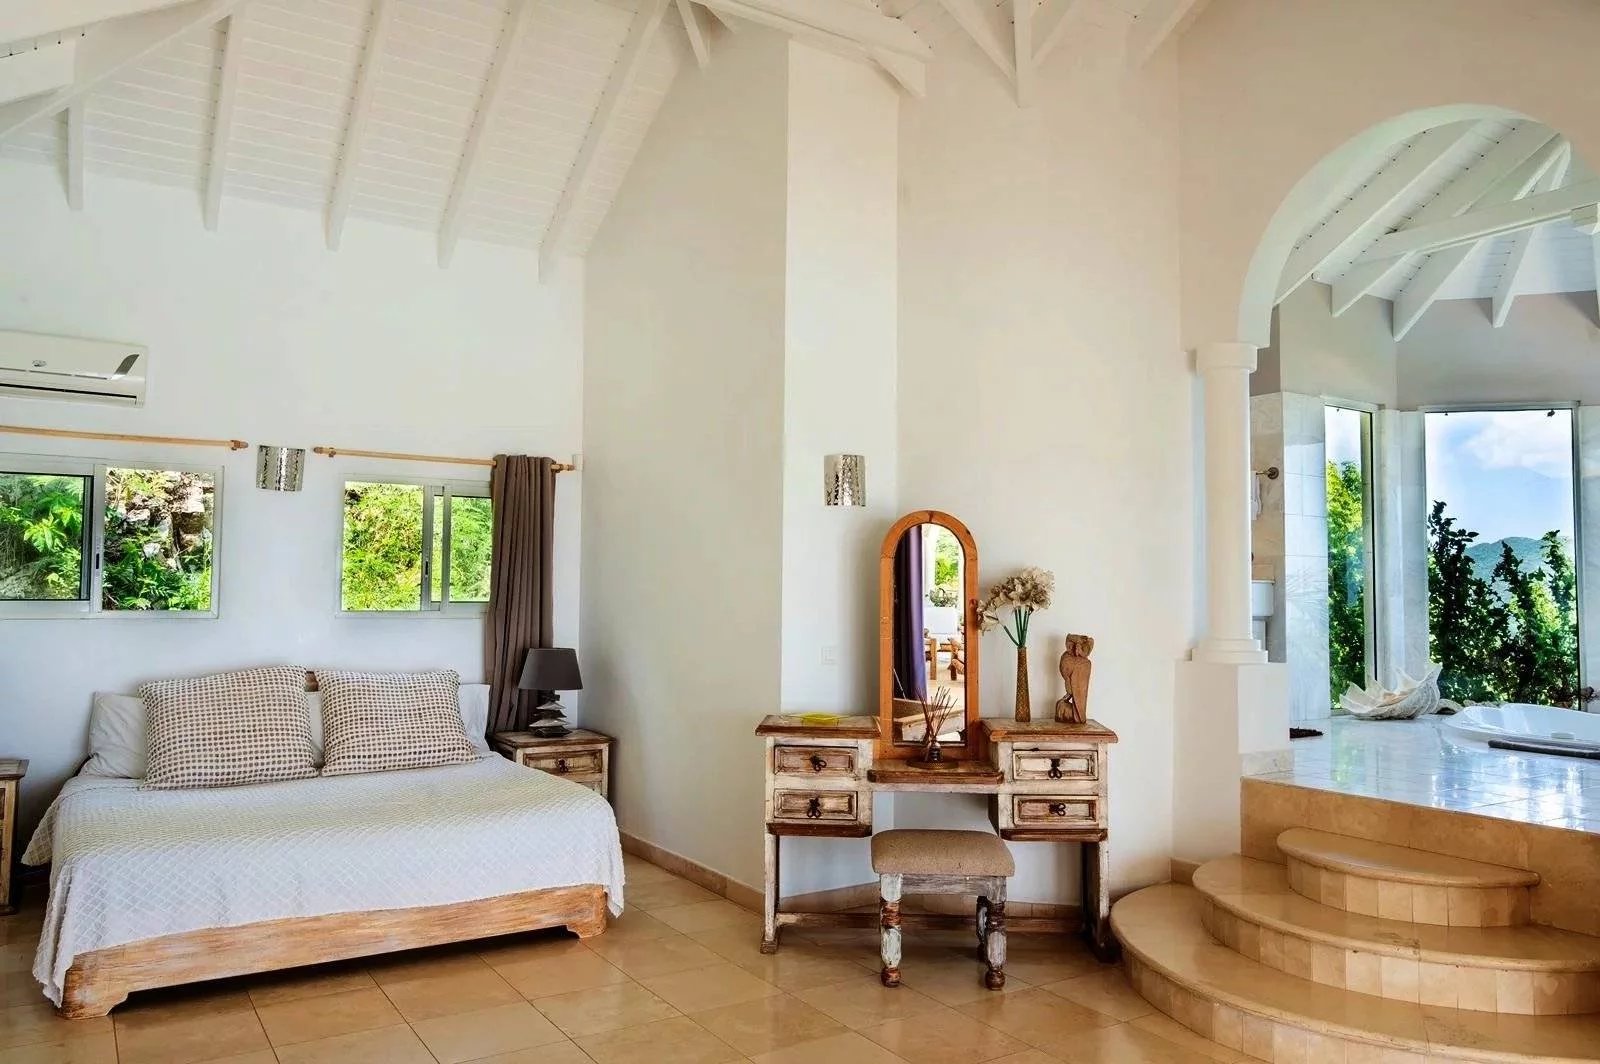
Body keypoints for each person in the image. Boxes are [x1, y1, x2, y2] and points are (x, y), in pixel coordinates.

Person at [1054, 634, 1094, 724]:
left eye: (1079, 649)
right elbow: (1067, 677)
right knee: (1068, 696)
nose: (1076, 652)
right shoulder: (1067, 658)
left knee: (1076, 696)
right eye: (1074, 648)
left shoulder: (1084, 663)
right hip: (1071, 675)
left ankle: (1079, 715)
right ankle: (1078, 715)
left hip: (1079, 670)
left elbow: (1079, 689)